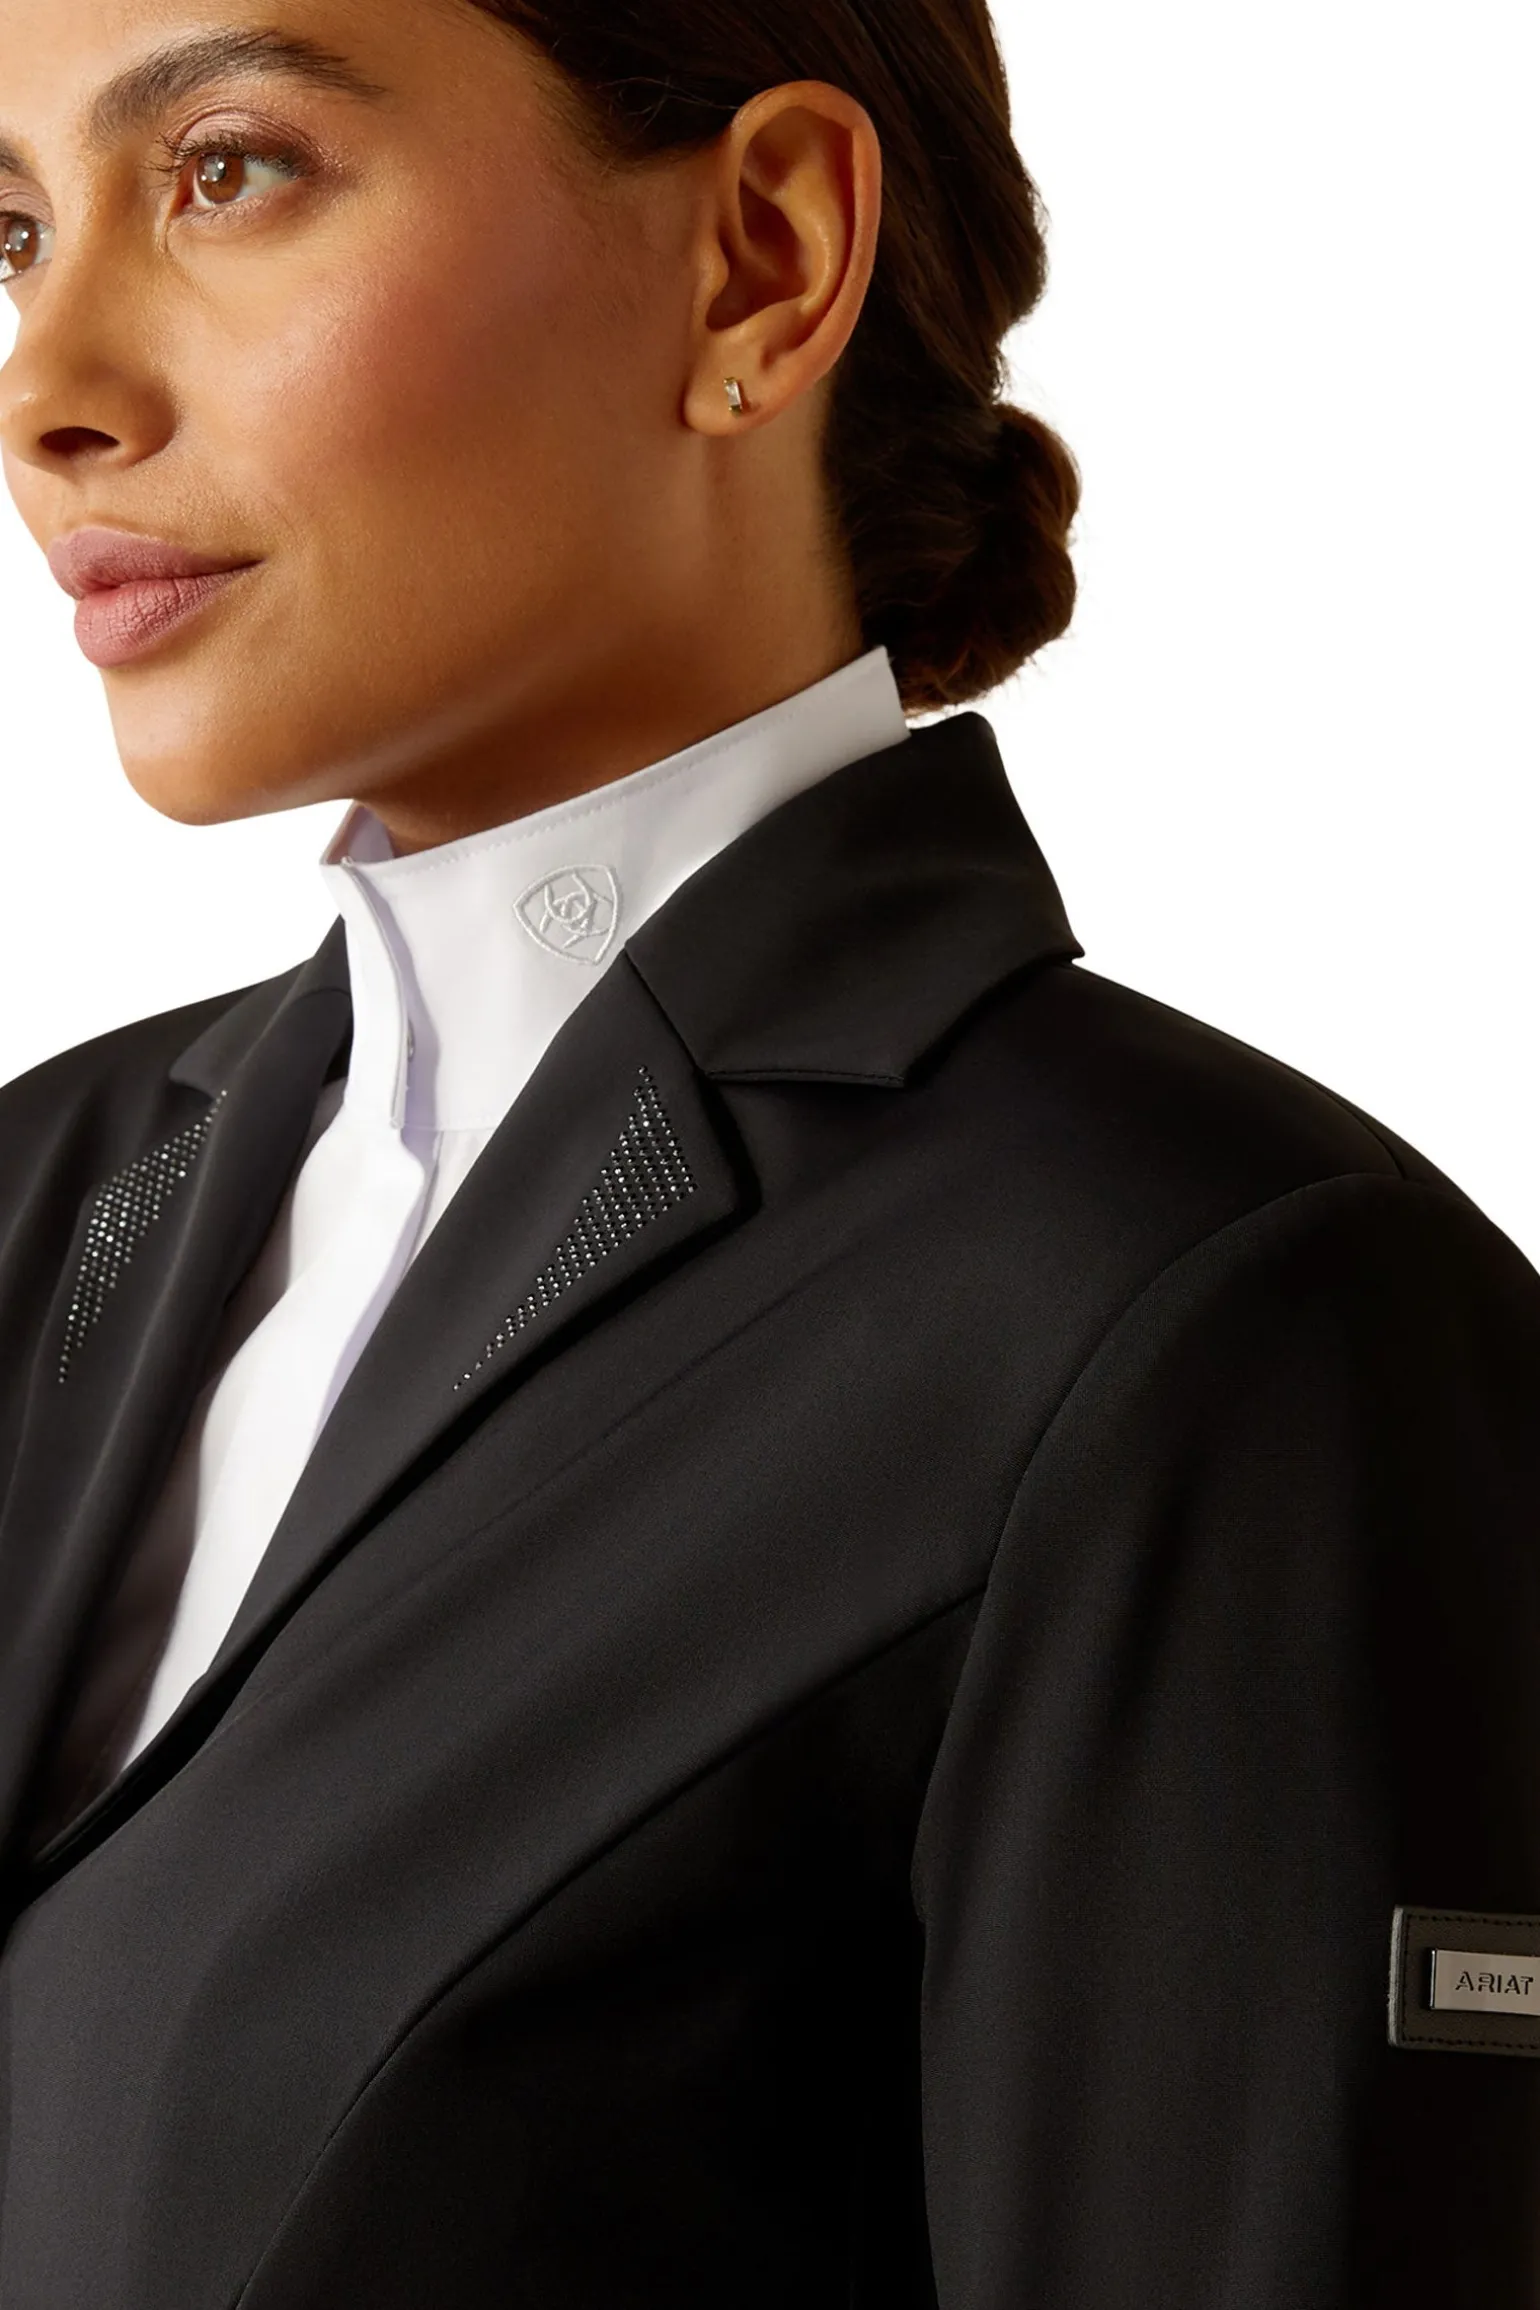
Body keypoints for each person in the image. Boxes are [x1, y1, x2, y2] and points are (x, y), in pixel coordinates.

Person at [1, 0, 1537, 2303]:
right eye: (15, 232)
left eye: (229, 169)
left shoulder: (1215, 1314)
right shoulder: (38, 1200)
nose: (46, 386)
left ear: (759, 258)